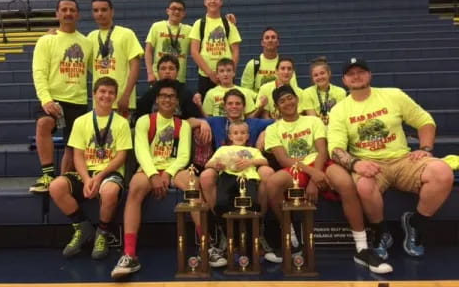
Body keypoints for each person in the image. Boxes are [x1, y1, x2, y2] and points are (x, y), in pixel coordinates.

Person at [328, 58, 454, 260]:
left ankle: (416, 224)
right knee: (364, 186)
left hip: (403, 159)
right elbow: (335, 149)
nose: (356, 76)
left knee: (443, 172)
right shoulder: (340, 110)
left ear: (370, 75)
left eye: (361, 71)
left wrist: (426, 148)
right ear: (344, 80)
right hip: (369, 162)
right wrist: (356, 164)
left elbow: (424, 121)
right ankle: (380, 231)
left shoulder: (393, 95)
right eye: (351, 73)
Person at [265, 85, 392, 274]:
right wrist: (312, 174)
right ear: (277, 107)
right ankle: (291, 242)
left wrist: (314, 178)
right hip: (296, 167)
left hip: (320, 163)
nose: (287, 103)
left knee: (345, 182)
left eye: (290, 98)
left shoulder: (313, 121)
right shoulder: (273, 128)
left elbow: (323, 151)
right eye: (282, 101)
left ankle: (362, 248)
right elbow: (283, 159)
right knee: (272, 183)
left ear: (297, 99)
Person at [111, 79, 200, 279]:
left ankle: (206, 245)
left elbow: (184, 156)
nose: (167, 100)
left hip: (174, 169)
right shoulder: (145, 121)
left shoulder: (183, 125)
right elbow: (141, 151)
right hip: (149, 168)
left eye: (171, 96)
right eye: (163, 96)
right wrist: (153, 175)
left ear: (177, 101)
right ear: (157, 100)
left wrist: (168, 174)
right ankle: (130, 254)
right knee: (134, 187)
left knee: (194, 184)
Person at [49, 77, 132, 260]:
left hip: (110, 172)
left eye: (111, 92)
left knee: (109, 191)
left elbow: (121, 156)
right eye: (102, 91)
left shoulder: (122, 123)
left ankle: (102, 232)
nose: (106, 96)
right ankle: (82, 227)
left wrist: (100, 176)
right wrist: (87, 179)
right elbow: (77, 155)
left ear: (115, 96)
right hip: (85, 172)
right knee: (55, 186)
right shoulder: (81, 122)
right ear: (94, 94)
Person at [199, 88, 275, 266]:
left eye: (238, 103)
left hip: (248, 178)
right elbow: (191, 121)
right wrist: (216, 164)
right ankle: (225, 232)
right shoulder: (220, 137)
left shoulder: (253, 132)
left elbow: (276, 124)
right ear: (224, 106)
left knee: (262, 182)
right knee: (212, 186)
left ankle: (258, 230)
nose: (234, 106)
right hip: (227, 177)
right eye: (230, 103)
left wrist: (265, 133)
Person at [30, 0, 92, 193]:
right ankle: (48, 175)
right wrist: (46, 99)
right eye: (64, 10)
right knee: (44, 123)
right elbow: (39, 72)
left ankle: (63, 181)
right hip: (54, 99)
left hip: (78, 100)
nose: (68, 13)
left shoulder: (87, 42)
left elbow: (96, 70)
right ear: (57, 14)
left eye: (72, 10)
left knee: (72, 145)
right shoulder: (46, 40)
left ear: (78, 15)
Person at [88, 0, 144, 117]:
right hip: (100, 102)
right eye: (96, 10)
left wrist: (126, 95)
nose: (100, 13)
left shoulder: (126, 34)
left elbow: (135, 66)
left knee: (123, 135)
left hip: (122, 102)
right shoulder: (90, 37)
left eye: (104, 10)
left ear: (112, 12)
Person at [189, 0, 241, 98]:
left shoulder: (228, 23)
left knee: (230, 106)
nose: (213, 1)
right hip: (206, 76)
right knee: (205, 110)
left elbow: (235, 50)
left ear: (221, 2)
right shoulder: (199, 24)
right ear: (205, 2)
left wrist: (230, 72)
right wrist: (210, 73)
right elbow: (194, 51)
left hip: (226, 75)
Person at [144, 0, 191, 85]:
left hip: (179, 78)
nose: (176, 11)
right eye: (173, 8)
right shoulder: (157, 26)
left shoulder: (189, 30)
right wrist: (150, 73)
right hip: (158, 77)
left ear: (184, 13)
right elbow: (148, 51)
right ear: (168, 11)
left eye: (180, 9)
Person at [241, 27, 298, 93]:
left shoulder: (286, 65)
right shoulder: (252, 64)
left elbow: (293, 88)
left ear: (278, 42)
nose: (270, 40)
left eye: (273, 37)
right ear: (262, 43)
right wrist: (260, 97)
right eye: (267, 38)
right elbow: (245, 91)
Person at [303, 56, 346, 125]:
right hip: (317, 130)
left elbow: (340, 117)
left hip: (335, 127)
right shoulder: (307, 93)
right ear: (312, 78)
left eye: (322, 73)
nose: (319, 77)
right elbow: (313, 120)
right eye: (316, 75)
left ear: (329, 73)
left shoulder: (340, 92)